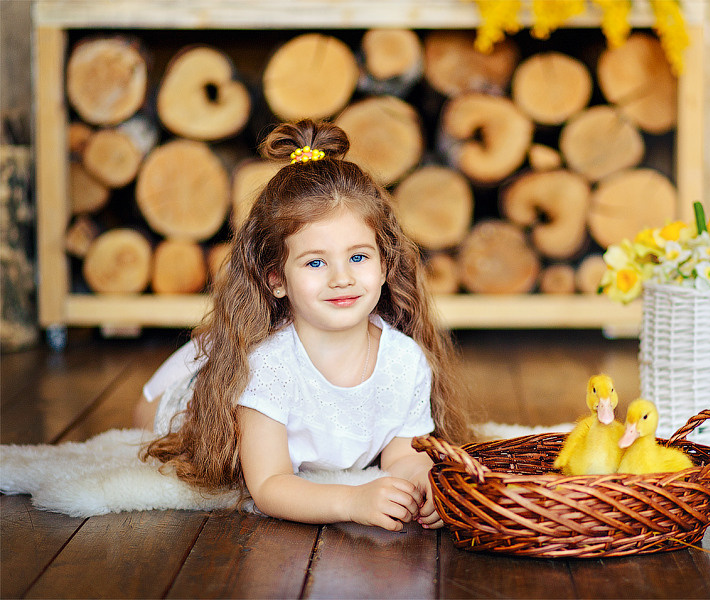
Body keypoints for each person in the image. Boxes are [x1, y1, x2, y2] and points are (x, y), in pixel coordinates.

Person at [139, 119, 470, 532]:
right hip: (188, 389)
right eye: (315, 262)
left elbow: (403, 457)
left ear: (386, 265)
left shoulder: (404, 362)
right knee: (148, 418)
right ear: (276, 278)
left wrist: (428, 484)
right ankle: (201, 356)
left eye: (359, 257)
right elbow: (269, 484)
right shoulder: (266, 368)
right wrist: (351, 499)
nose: (341, 278)